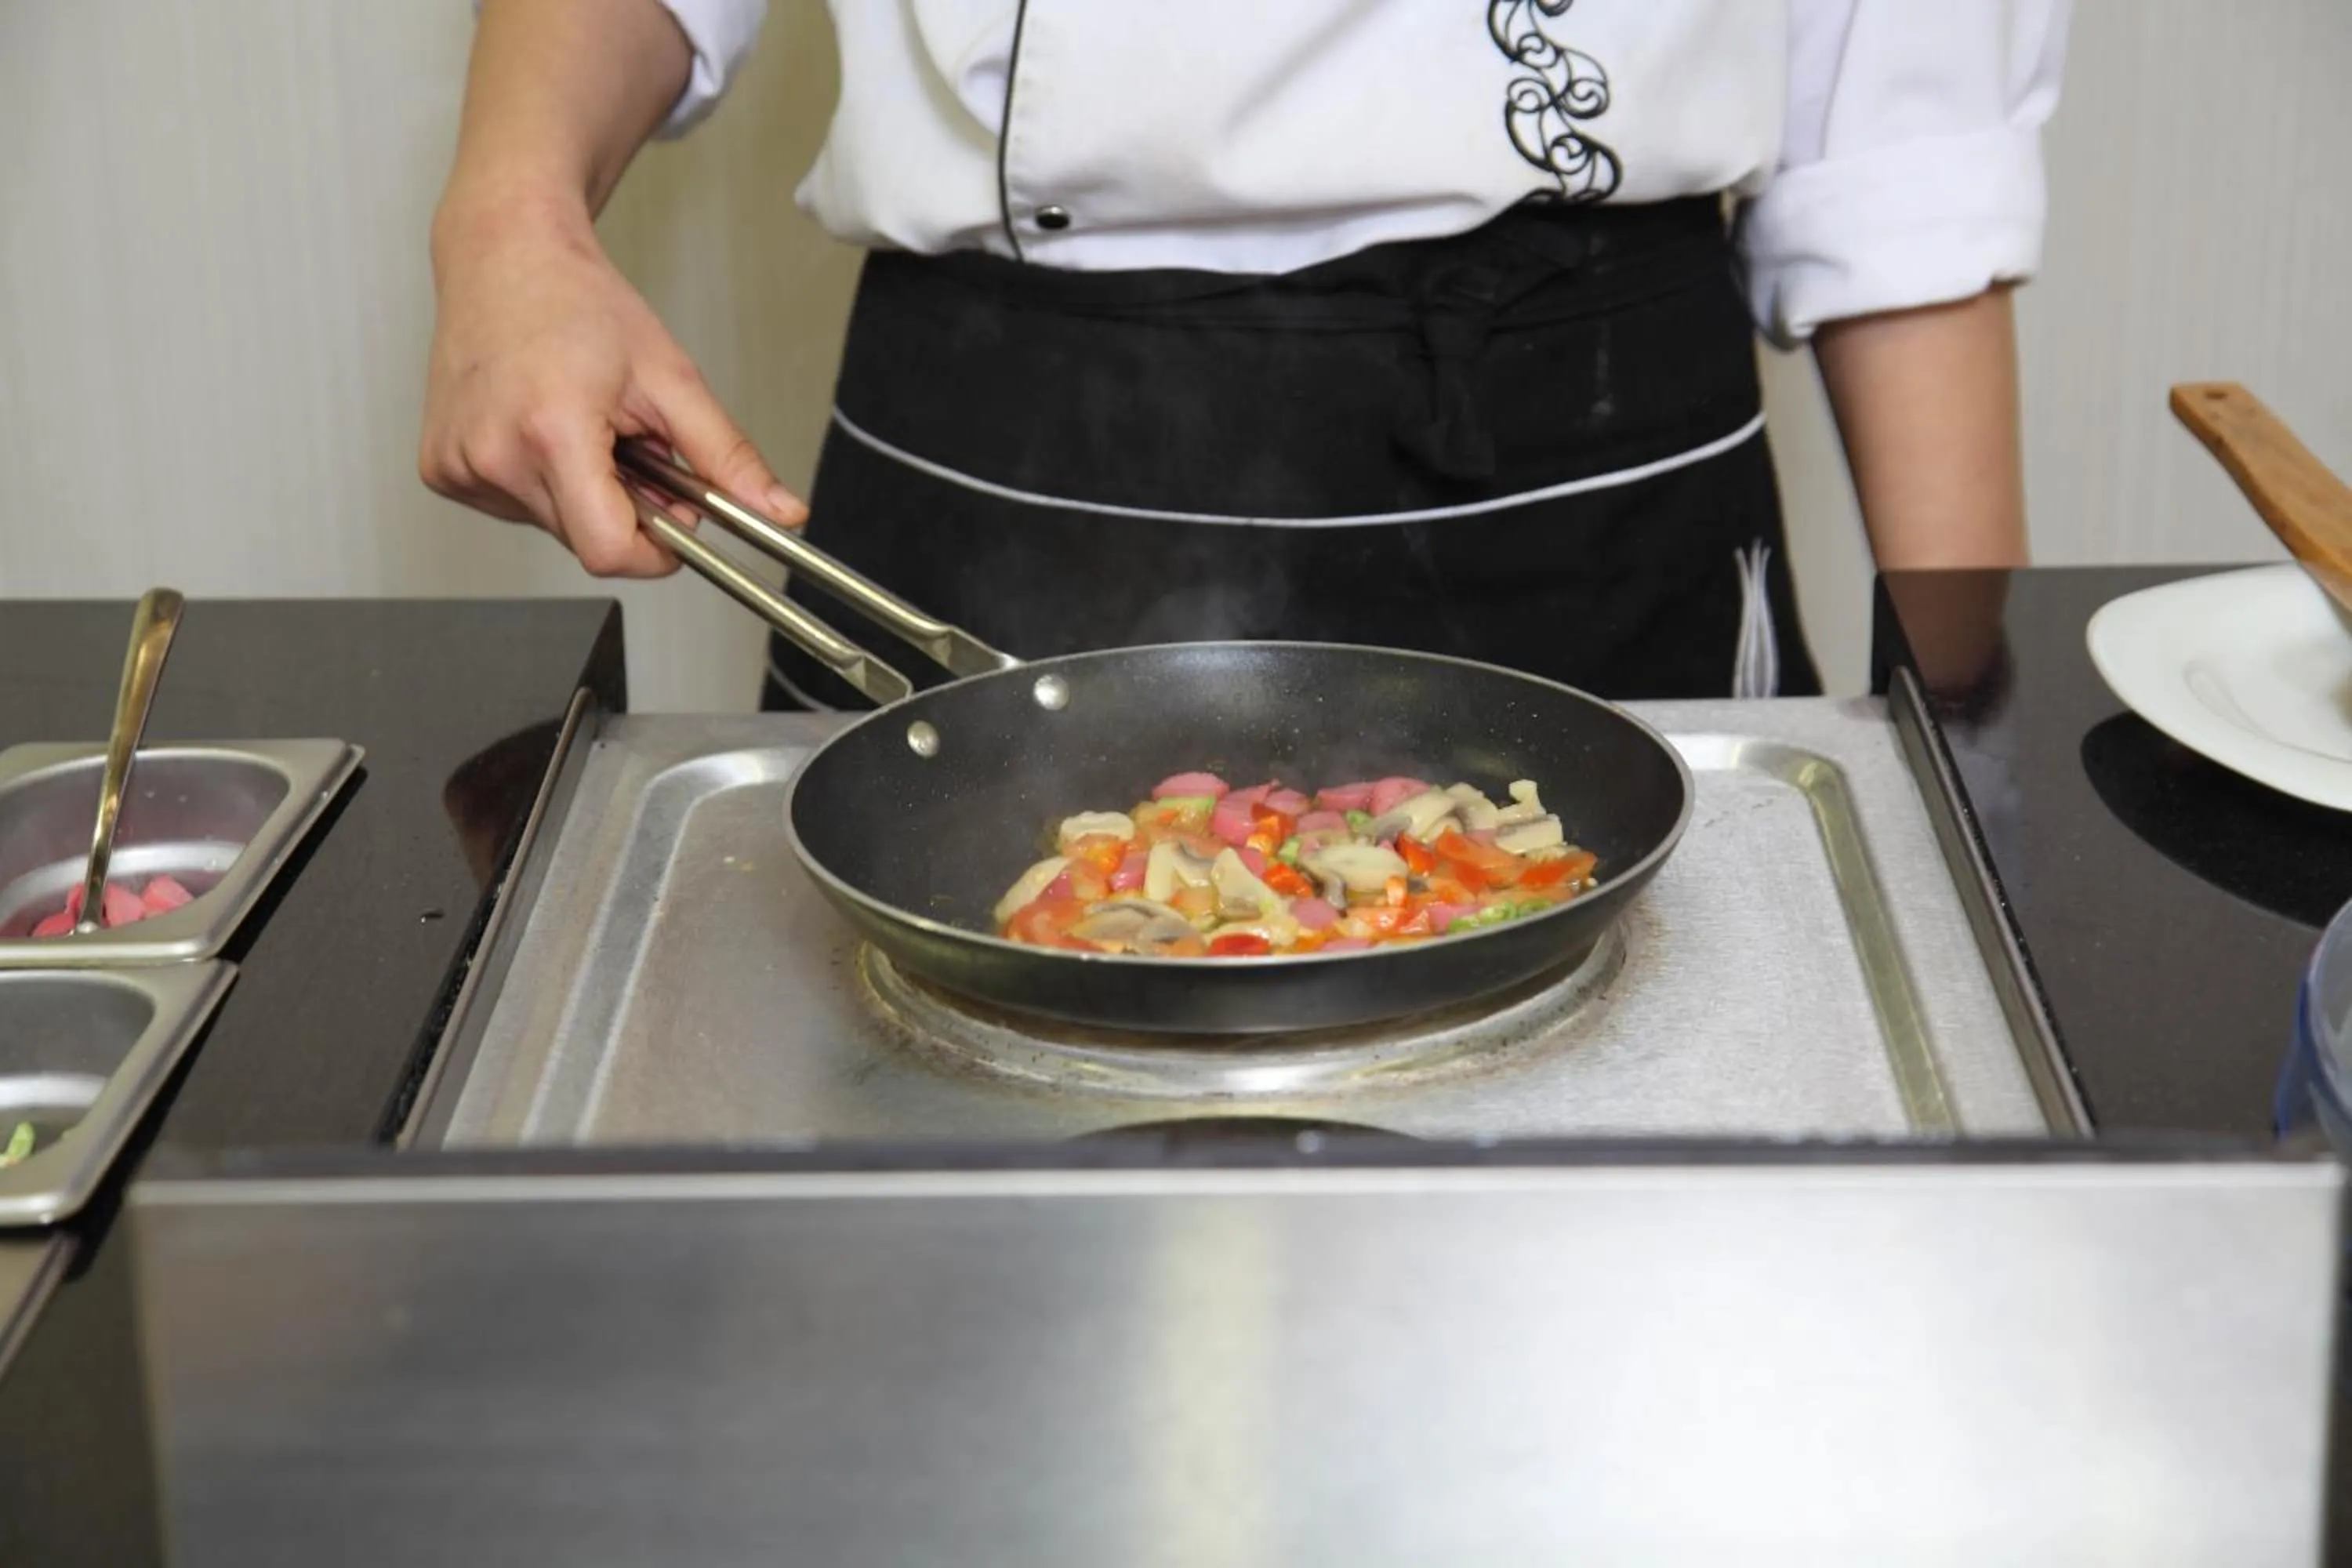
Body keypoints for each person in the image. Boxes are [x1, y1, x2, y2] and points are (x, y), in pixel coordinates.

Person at [423, 0, 2072, 704]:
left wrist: (1975, 769)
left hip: (1592, 470)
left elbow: (1903, 139)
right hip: (992, 471)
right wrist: (512, 229)